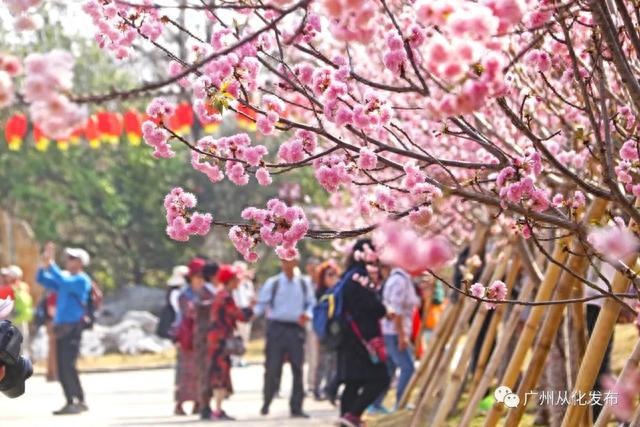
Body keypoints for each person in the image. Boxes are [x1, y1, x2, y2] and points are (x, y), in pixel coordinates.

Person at [337, 239, 390, 427]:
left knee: (353, 381)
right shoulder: (360, 278)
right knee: (382, 378)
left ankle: (346, 418)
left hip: (348, 336)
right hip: (363, 339)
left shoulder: (348, 275)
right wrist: (383, 308)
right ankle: (353, 415)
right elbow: (372, 307)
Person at [254, 257, 316, 418]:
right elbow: (261, 304)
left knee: (298, 369)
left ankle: (296, 406)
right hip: (276, 328)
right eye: (284, 261)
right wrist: (250, 314)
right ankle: (266, 401)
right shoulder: (273, 283)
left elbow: (311, 303)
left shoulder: (303, 283)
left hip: (296, 329)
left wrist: (307, 314)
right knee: (272, 367)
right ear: (281, 262)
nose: (288, 264)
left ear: (296, 262)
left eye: (291, 260)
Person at [36, 243, 92, 415]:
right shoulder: (66, 278)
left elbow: (62, 280)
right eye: (68, 258)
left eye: (73, 258)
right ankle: (70, 400)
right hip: (61, 329)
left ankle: (79, 400)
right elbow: (42, 280)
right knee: (61, 367)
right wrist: (43, 264)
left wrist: (51, 263)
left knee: (69, 365)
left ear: (81, 263)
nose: (69, 261)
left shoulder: (81, 279)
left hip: (73, 328)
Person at [204, 265, 253, 420]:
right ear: (230, 280)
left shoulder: (220, 294)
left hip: (215, 340)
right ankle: (217, 410)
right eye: (236, 278)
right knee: (220, 375)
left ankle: (215, 409)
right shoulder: (226, 297)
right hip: (221, 341)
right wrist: (250, 308)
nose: (239, 281)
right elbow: (240, 316)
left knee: (218, 373)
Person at [372, 265, 419, 412]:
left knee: (390, 368)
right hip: (394, 332)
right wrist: (402, 336)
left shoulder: (399, 279)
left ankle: (376, 403)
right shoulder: (399, 280)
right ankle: (400, 403)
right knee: (408, 368)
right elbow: (396, 311)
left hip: (392, 331)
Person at [174, 258, 215, 417]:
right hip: (188, 338)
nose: (199, 279)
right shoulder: (184, 294)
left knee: (202, 371)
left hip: (204, 337)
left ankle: (200, 402)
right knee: (186, 372)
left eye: (201, 276)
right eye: (196, 275)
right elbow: (188, 312)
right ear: (190, 277)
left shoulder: (208, 291)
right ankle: (180, 404)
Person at [313, 261, 341, 401]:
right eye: (328, 274)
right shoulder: (319, 293)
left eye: (334, 274)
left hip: (336, 332)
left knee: (334, 362)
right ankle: (316, 389)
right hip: (323, 331)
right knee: (322, 362)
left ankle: (329, 389)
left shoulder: (339, 291)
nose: (331, 277)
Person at [231, 261, 256, 367]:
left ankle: (240, 359)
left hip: (246, 313)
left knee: (245, 337)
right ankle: (233, 359)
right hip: (235, 313)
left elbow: (251, 298)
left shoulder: (248, 284)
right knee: (234, 337)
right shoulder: (232, 283)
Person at [7, 266, 34, 358]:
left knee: (11, 344)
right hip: (23, 318)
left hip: (13, 318)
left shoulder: (10, 287)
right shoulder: (24, 286)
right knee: (22, 343)